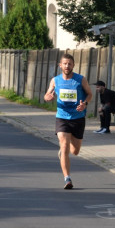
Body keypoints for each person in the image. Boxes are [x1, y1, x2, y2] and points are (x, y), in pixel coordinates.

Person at [43, 54, 93, 190]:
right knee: (64, 146)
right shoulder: (55, 80)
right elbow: (47, 95)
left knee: (75, 151)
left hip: (78, 118)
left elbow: (90, 94)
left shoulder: (80, 79)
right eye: (64, 64)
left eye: (69, 64)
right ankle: (67, 179)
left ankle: (66, 148)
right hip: (62, 118)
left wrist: (85, 104)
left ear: (73, 65)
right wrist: (49, 97)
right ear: (60, 65)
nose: (67, 66)